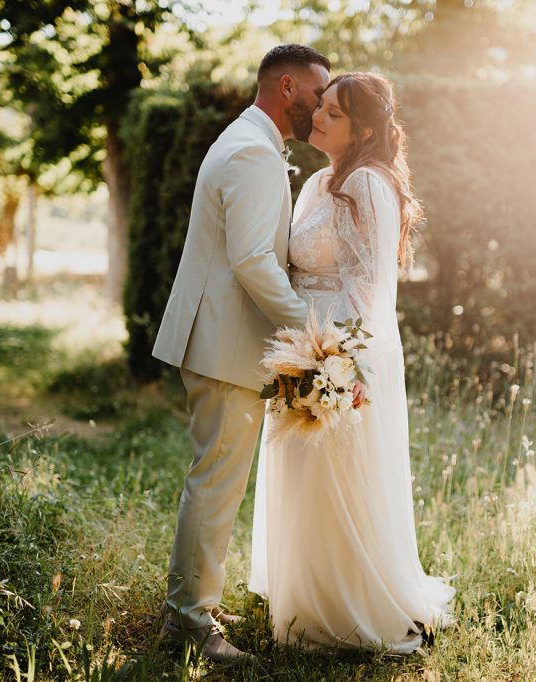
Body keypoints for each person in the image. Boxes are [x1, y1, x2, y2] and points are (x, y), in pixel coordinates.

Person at [249, 72, 456, 653]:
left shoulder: (367, 184)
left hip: (340, 353)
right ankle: (303, 591)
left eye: (333, 113)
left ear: (364, 128)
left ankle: (345, 605)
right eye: (322, 106)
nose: (317, 115)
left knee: (335, 476)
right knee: (301, 473)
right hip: (301, 344)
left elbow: (370, 290)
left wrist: (343, 367)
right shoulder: (319, 181)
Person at [151, 44, 330, 663]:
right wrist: (312, 335)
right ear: (287, 88)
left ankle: (190, 609)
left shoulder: (249, 141)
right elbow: (253, 260)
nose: (321, 104)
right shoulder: (253, 151)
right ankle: (192, 623)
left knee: (213, 478)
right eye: (316, 92)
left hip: (219, 337)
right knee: (216, 482)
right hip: (225, 342)